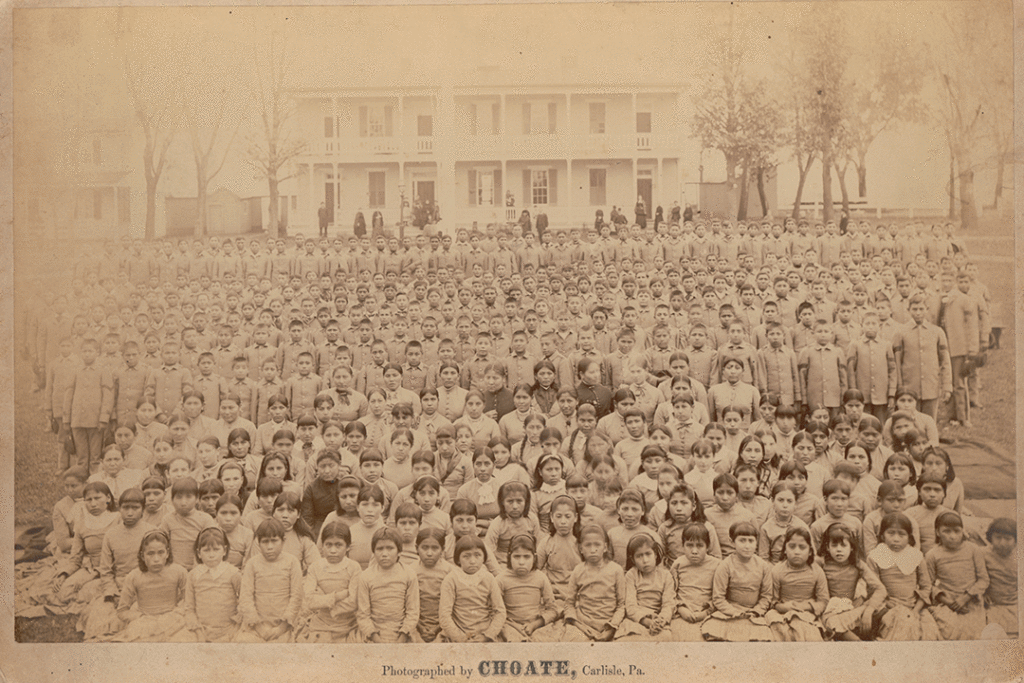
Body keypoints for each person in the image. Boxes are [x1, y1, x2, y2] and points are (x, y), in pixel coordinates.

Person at [113, 530, 193, 642]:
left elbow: (189, 600)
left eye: (161, 552)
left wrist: (177, 612)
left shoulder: (179, 572)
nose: (156, 559)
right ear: (142, 555)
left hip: (172, 619)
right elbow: (122, 611)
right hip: (144, 621)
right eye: (150, 553)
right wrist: (140, 617)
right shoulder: (134, 576)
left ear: (167, 553)